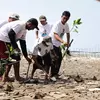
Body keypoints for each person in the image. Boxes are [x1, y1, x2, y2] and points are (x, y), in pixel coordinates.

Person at [0, 18, 39, 82]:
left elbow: (23, 43)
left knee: (13, 58)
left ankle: (6, 77)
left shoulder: (24, 30)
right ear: (30, 24)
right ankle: (17, 78)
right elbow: (11, 34)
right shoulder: (20, 24)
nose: (32, 29)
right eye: (33, 27)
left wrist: (26, 57)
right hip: (3, 39)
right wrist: (15, 47)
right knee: (15, 57)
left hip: (8, 41)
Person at [49, 11, 71, 79]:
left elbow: (68, 33)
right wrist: (63, 41)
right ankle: (52, 75)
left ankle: (55, 73)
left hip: (58, 44)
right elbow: (55, 35)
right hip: (52, 43)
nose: (65, 20)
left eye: (67, 19)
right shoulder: (57, 24)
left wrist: (68, 42)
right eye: (64, 18)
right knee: (54, 59)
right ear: (61, 16)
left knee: (59, 59)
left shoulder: (66, 25)